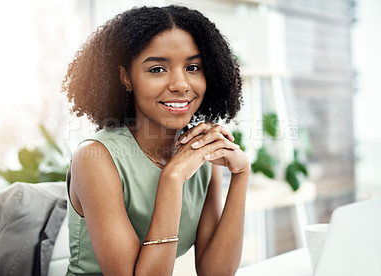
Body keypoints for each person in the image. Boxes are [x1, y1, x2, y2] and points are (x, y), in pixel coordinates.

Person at [62, 5, 250, 276]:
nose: (181, 84)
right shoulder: (95, 158)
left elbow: (215, 272)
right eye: (158, 69)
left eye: (193, 67)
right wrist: (172, 178)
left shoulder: (199, 154)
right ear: (125, 77)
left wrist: (242, 173)